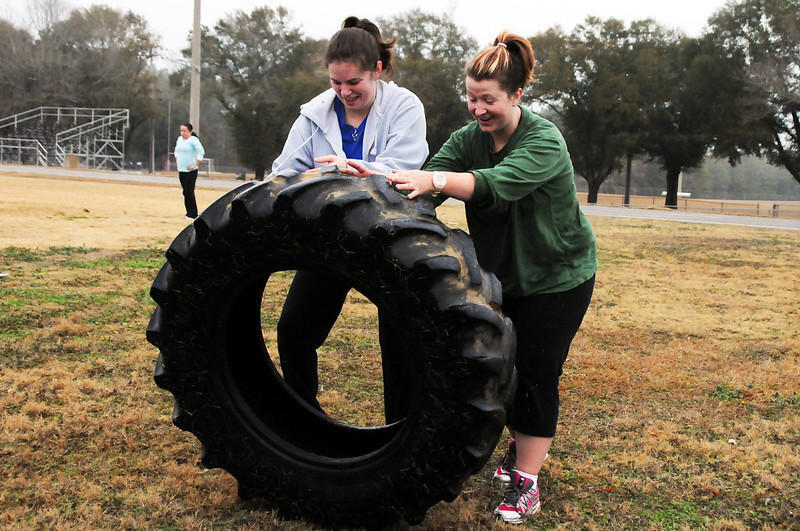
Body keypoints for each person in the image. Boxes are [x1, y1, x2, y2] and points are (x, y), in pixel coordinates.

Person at [387, 32, 597, 524]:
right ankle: (524, 445)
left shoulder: (543, 140)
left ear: (517, 95)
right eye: (471, 97)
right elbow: (428, 181)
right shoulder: (468, 140)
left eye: (489, 100)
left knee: (537, 374)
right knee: (501, 369)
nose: (478, 109)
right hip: (502, 278)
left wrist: (435, 181)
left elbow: (497, 187)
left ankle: (527, 480)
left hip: (558, 278)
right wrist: (375, 179)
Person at [271, 16, 428, 423]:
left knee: (398, 341)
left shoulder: (405, 106)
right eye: (336, 83)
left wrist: (357, 169)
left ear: (377, 69)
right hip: (335, 239)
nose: (344, 92)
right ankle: (304, 418)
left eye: (353, 83)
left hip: (393, 239)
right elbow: (283, 172)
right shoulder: (313, 115)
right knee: (294, 331)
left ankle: (399, 432)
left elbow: (403, 169)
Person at [174, 123, 205, 220]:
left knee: (189, 191)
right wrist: (177, 160)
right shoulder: (179, 139)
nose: (182, 133)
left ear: (190, 132)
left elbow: (201, 152)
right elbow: (176, 151)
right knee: (185, 192)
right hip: (181, 170)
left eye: (184, 131)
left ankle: (193, 214)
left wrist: (195, 164)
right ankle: (188, 212)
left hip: (191, 171)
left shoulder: (194, 140)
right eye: (181, 131)